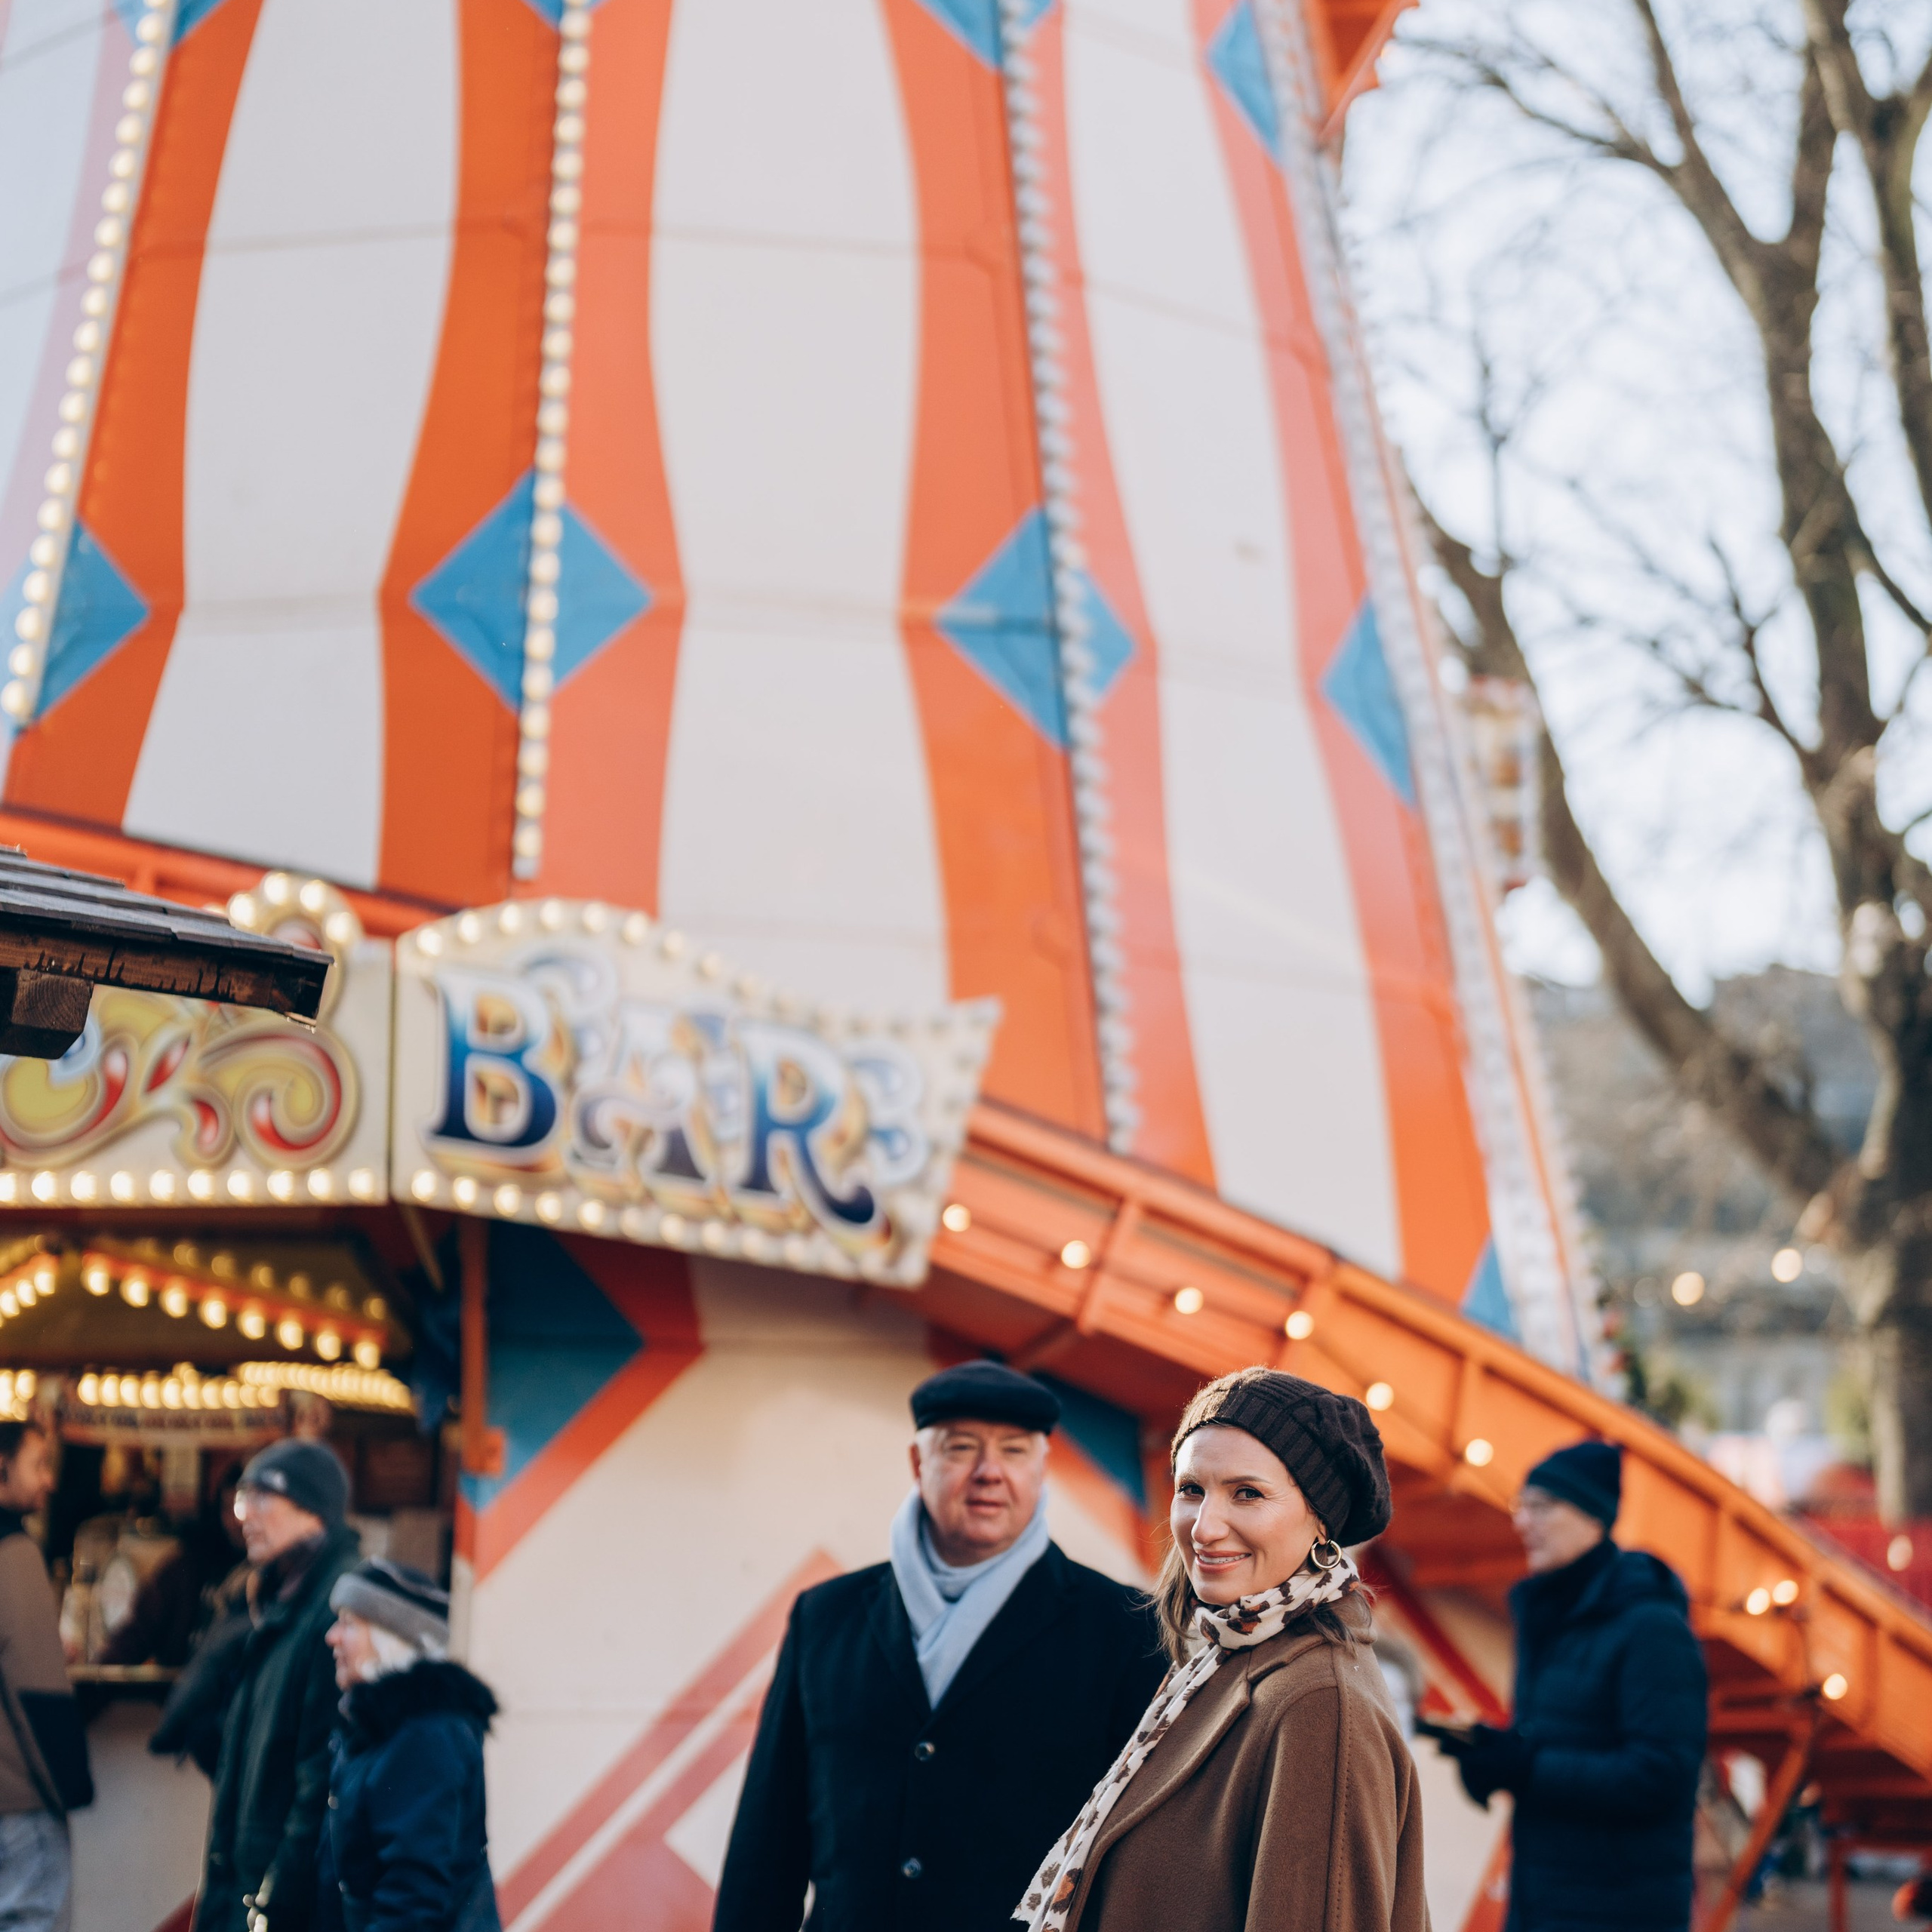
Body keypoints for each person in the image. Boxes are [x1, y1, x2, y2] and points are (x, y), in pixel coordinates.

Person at [714, 1360, 1167, 1932]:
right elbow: (767, 1844)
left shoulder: (1125, 1630)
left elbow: (1147, 1859)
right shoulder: (825, 1617)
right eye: (960, 1448)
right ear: (917, 1463)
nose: (989, 1472)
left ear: (1042, 1470)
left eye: (1015, 1450)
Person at [1014, 1366, 1423, 1932]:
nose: (1204, 1528)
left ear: (1321, 1525)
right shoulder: (1221, 1660)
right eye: (1191, 1490)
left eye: (1248, 1494)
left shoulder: (1319, 1703)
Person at [1433, 1439, 1707, 1932]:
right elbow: (1563, 1741)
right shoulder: (1553, 1618)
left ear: (1593, 1517)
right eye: (1523, 1507)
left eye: (1542, 1507)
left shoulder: (1652, 1629)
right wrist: (1498, 1754)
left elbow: (1661, 1776)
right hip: (1544, 1900)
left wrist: (1528, 1768)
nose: (1522, 1523)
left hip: (1617, 1911)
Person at [197, 1438, 361, 1932]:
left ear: (313, 1511)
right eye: (240, 1500)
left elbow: (321, 1777)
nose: (244, 1516)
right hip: (247, 1885)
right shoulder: (273, 1601)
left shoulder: (335, 1608)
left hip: (277, 1902)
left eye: (260, 1499)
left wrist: (275, 1902)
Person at [316, 1558, 499, 1932]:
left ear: (394, 1641)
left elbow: (411, 1900)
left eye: (350, 1624)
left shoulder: (425, 1738)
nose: (331, 1637)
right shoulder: (377, 1728)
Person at [0, 1420, 91, 1932]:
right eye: (39, 1464)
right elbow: (37, 1688)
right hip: (18, 1804)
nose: (49, 1480)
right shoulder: (14, 1554)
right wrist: (72, 1788)